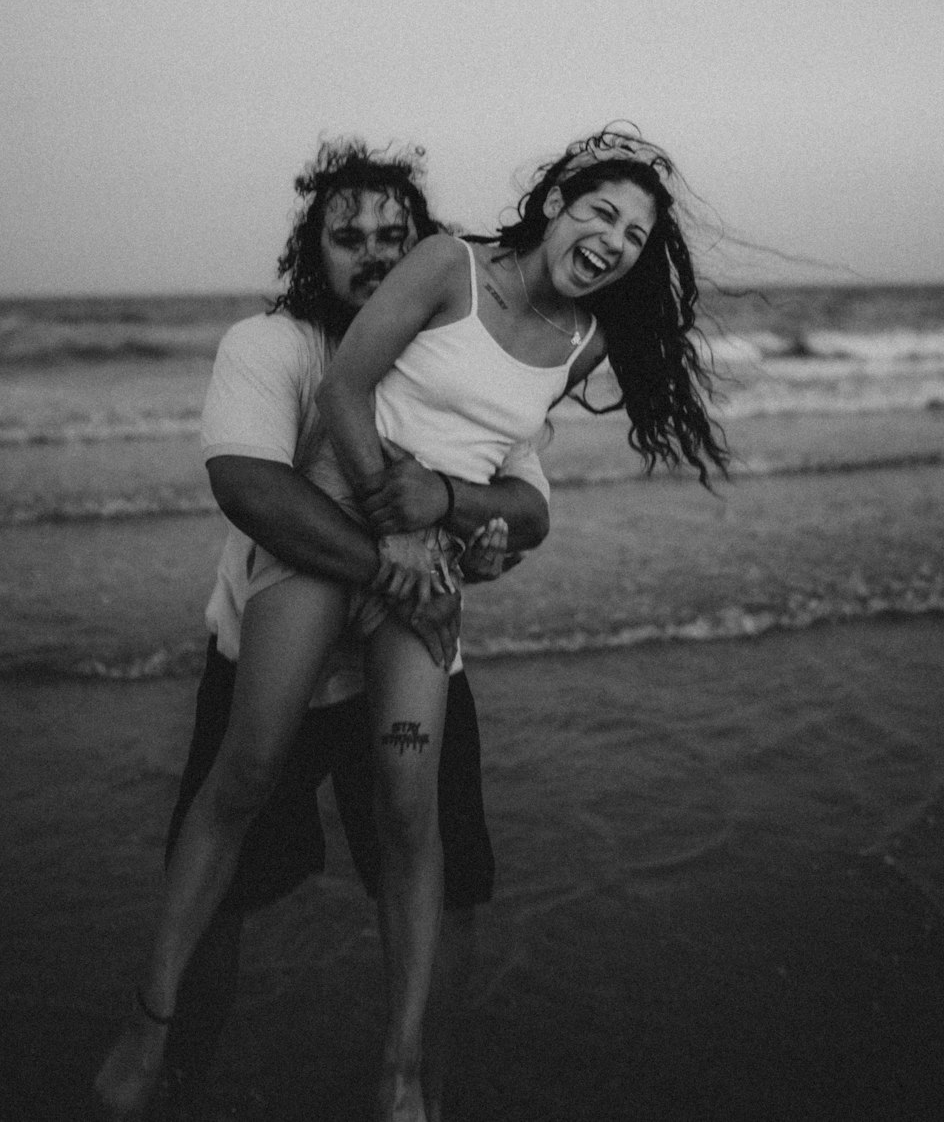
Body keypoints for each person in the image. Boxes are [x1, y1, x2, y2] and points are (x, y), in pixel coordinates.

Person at [251, 120, 728, 1119]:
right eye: (601, 210)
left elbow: (509, 482)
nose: (612, 239)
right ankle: (161, 1023)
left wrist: (471, 526)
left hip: (426, 580)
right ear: (556, 202)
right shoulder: (446, 265)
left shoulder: (586, 342)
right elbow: (345, 388)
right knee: (248, 778)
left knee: (407, 810)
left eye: (634, 235)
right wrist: (400, 521)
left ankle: (404, 1070)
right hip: (349, 538)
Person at [95, 140, 550, 1122]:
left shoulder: (461, 351)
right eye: (348, 237)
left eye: (395, 236)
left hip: (421, 661)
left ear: (424, 249)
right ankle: (178, 1066)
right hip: (268, 663)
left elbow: (525, 495)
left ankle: (419, 1083)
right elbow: (253, 489)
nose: (373, 255)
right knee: (222, 872)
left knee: (440, 868)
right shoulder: (272, 346)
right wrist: (399, 563)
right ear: (314, 249)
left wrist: (467, 514)